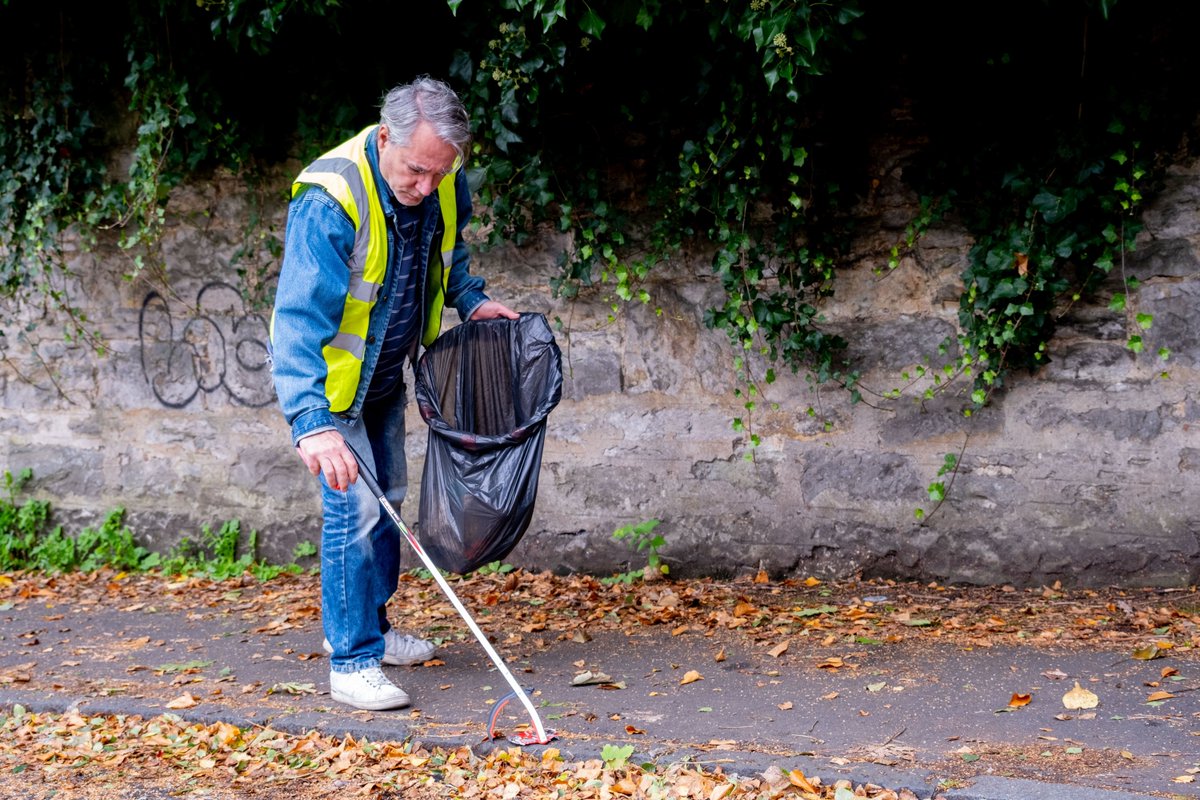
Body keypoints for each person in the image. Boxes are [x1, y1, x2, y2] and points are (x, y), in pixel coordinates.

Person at [269, 77, 518, 711]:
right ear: (385, 138)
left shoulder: (441, 174)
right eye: (416, 171)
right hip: (333, 392)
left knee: (389, 506)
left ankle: (370, 633)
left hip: (385, 376)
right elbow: (296, 321)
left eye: (440, 173)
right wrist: (311, 421)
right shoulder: (330, 200)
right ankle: (350, 661)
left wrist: (471, 299)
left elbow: (447, 253)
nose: (427, 187)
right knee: (353, 515)